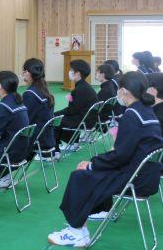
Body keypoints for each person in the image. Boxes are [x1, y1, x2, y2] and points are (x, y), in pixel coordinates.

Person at [47, 71, 162, 247]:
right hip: (147, 175)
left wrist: (92, 164)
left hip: (135, 179)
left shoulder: (132, 115)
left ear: (124, 91)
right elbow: (124, 153)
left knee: (80, 175)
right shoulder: (146, 111)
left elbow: (120, 156)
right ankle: (96, 212)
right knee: (92, 171)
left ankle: (76, 231)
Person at [0, 71, 29, 187]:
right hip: (21, 152)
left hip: (7, 155)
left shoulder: (2, 107)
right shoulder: (19, 102)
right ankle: (3, 175)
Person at [54, 59, 98, 154]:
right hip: (88, 119)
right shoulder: (84, 86)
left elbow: (72, 111)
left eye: (71, 70)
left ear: (78, 73)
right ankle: (73, 143)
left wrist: (56, 114)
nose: (69, 72)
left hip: (84, 121)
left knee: (55, 121)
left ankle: (56, 150)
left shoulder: (80, 89)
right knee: (62, 117)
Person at [21, 58, 55, 161]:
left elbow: (25, 120)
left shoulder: (30, 94)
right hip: (47, 137)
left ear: (28, 72)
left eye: (24, 71)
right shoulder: (44, 89)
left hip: (37, 139)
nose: (23, 74)